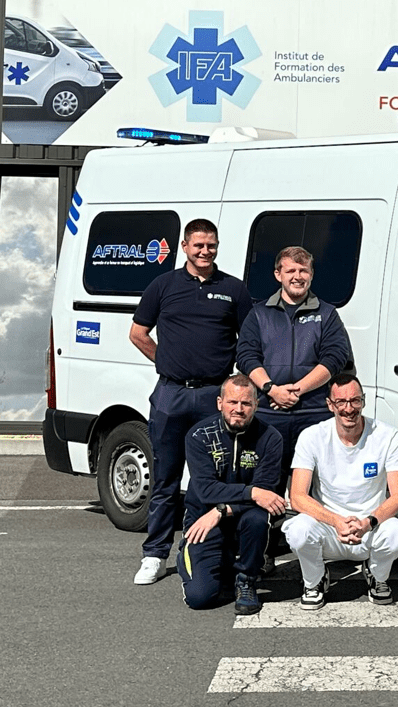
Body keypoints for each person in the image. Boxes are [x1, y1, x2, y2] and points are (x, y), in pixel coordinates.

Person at [129, 218, 253, 585]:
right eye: (198, 245)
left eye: (211, 245)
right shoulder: (163, 285)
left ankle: (209, 550)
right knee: (165, 478)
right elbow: (138, 334)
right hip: (171, 394)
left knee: (213, 478)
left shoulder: (233, 289)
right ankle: (154, 554)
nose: (205, 251)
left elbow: (248, 342)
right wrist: (166, 362)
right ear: (185, 246)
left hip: (214, 395)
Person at [283, 373, 398, 609]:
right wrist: (336, 521)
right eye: (341, 402)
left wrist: (368, 522)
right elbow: (297, 497)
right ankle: (315, 580)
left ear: (364, 401)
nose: (349, 409)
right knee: (297, 530)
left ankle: (377, 575)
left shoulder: (387, 435)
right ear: (330, 405)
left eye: (355, 400)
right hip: (329, 528)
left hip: (370, 528)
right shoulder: (312, 436)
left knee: (397, 535)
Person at [236, 245, 352, 493]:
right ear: (278, 274)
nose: (297, 276)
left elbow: (335, 358)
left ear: (311, 274)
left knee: (315, 493)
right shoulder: (259, 314)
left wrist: (296, 390)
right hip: (268, 415)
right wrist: (272, 389)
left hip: (313, 415)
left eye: (303, 270)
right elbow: (246, 356)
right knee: (265, 489)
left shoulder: (327, 314)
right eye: (291, 271)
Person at [177, 375, 287, 614]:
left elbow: (266, 496)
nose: (239, 409)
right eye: (232, 402)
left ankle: (246, 580)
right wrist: (251, 492)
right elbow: (206, 490)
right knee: (200, 598)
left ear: (256, 405)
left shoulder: (270, 438)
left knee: (258, 518)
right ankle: (198, 554)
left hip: (238, 518)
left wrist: (222, 510)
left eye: (246, 403)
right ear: (220, 403)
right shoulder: (198, 436)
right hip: (203, 520)